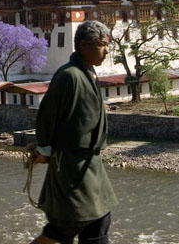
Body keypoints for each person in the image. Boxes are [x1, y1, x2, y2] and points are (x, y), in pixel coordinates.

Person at [29, 20, 118, 244]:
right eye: (102, 45)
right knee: (67, 225)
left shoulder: (88, 73)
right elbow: (47, 116)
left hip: (92, 164)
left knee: (99, 221)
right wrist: (44, 150)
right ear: (84, 45)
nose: (106, 51)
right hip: (71, 166)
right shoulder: (69, 76)